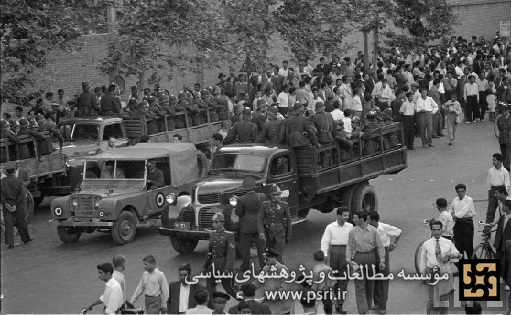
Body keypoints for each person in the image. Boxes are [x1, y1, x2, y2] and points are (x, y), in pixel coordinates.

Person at [345, 210, 385, 315]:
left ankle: (367, 308)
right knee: (359, 285)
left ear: (362, 219)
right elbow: (349, 246)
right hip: (357, 258)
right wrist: (348, 260)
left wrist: (382, 260)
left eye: (355, 218)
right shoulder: (353, 231)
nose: (353, 220)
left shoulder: (373, 231)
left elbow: (380, 246)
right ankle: (363, 311)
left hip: (371, 257)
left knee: (369, 285)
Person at [419, 221, 460, 314]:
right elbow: (423, 259)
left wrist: (449, 257)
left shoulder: (448, 243)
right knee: (432, 298)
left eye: (438, 230)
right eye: (434, 230)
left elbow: (456, 257)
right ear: (431, 231)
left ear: (441, 230)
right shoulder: (427, 244)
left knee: (443, 298)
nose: (436, 232)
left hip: (444, 272)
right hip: (431, 272)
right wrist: (422, 274)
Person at [367, 211, 402, 315]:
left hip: (383, 254)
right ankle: (377, 302)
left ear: (373, 220)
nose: (366, 221)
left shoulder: (384, 227)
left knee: (383, 280)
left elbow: (399, 232)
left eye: (368, 219)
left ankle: (383, 306)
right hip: (371, 253)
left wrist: (394, 244)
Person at [320, 206, 353, 314]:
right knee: (334, 279)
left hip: (346, 252)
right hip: (334, 252)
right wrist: (324, 254)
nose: (347, 217)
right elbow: (325, 241)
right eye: (345, 215)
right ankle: (336, 300)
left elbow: (353, 242)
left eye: (348, 215)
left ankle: (340, 304)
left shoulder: (350, 226)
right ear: (338, 216)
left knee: (344, 278)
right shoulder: (330, 227)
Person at [203, 212, 238, 304]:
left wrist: (227, 269)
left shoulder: (229, 235)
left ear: (221, 223)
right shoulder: (212, 234)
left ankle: (245, 301)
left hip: (223, 265)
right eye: (213, 222)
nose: (213, 224)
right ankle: (212, 308)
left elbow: (231, 253)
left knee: (229, 289)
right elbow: (210, 251)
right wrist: (205, 265)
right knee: (209, 289)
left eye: (215, 222)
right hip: (213, 266)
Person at [236, 177, 266, 272]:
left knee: (245, 248)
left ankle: (245, 267)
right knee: (261, 248)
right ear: (254, 186)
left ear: (244, 187)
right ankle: (263, 267)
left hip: (246, 226)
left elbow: (239, 213)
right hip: (259, 224)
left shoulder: (241, 199)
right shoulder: (262, 196)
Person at [1, 161, 32, 248]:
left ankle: (10, 244)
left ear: (6, 172)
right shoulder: (18, 182)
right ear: (14, 171)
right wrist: (15, 204)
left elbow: (0, 194)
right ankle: (25, 238)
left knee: (8, 223)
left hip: (7, 204)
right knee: (21, 221)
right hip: (17, 204)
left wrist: (5, 203)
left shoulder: (2, 181)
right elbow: (22, 194)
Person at [257, 184, 292, 264]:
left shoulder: (284, 205)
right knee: (269, 254)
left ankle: (280, 270)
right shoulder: (265, 205)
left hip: (280, 232)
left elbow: (289, 221)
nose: (279, 196)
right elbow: (260, 218)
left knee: (278, 254)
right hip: (268, 233)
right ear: (272, 196)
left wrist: (288, 236)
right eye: (277, 195)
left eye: (279, 195)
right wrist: (261, 232)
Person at [254, 248, 293, 314]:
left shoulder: (283, 269)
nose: (265, 261)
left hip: (282, 306)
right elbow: (258, 282)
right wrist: (246, 290)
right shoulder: (266, 268)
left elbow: (284, 288)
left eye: (267, 259)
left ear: (274, 258)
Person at [450, 184, 475, 261]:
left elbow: (463, 211)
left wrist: (454, 216)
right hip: (457, 223)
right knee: (458, 247)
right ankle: (462, 268)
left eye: (462, 191)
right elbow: (451, 210)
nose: (461, 193)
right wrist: (448, 215)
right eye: (459, 192)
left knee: (468, 246)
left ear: (465, 191)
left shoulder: (469, 200)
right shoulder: (455, 200)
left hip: (467, 223)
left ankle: (475, 268)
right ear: (456, 192)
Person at [485, 153, 511, 226]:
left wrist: (505, 194)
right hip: (493, 191)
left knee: (502, 211)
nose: (493, 161)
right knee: (490, 211)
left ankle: (502, 228)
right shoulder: (491, 171)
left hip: (501, 191)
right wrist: (489, 193)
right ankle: (487, 230)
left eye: (495, 160)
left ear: (500, 161)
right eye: (493, 160)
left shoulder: (504, 172)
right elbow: (489, 183)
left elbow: (507, 184)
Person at [491, 199, 511, 290]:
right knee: (499, 259)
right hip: (500, 241)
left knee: (507, 261)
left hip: (508, 243)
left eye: (503, 206)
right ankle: (502, 276)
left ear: (507, 207)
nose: (502, 207)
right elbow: (495, 223)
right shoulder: (503, 217)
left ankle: (508, 281)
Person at [311, 250, 335, 314]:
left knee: (320, 308)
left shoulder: (316, 271)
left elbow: (315, 285)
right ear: (324, 258)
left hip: (320, 292)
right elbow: (332, 283)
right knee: (328, 308)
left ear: (313, 259)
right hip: (328, 292)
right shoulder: (329, 269)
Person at [495, 104, 511, 171]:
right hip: (502, 138)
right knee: (503, 153)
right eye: (503, 109)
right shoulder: (499, 118)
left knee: (508, 153)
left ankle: (506, 166)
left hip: (509, 137)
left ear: (509, 110)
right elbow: (496, 126)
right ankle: (505, 165)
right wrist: (497, 134)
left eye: (506, 109)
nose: (504, 111)